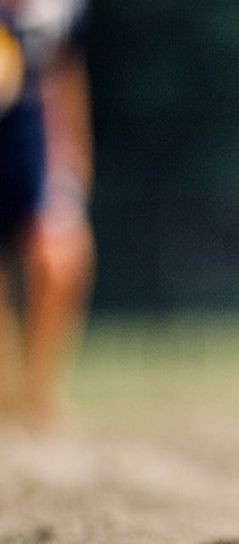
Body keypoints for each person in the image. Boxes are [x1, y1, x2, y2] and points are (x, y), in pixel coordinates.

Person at [0, 0, 93, 429]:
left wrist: (71, 168)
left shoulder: (52, 15)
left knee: (61, 256)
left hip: (25, 146)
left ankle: (39, 395)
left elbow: (63, 79)